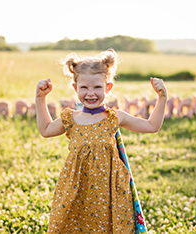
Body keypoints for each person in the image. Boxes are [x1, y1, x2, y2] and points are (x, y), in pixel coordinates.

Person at [35, 49, 167, 233]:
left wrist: (162, 98)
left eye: (97, 87)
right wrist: (40, 98)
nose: (91, 93)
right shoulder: (70, 118)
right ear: (75, 88)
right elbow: (46, 129)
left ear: (108, 87)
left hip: (110, 191)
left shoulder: (114, 117)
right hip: (77, 190)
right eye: (84, 88)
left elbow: (152, 125)